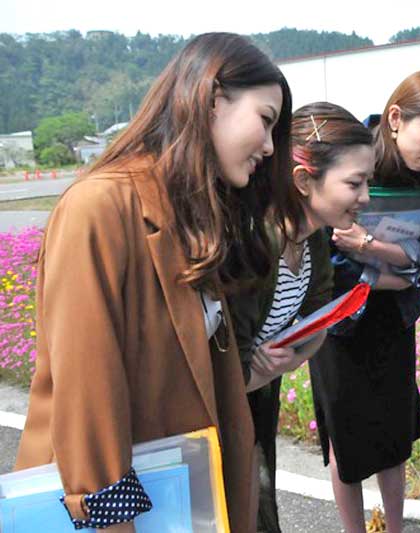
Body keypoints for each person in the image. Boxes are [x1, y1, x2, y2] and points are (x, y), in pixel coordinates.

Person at [14, 33, 293, 532]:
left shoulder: (193, 216)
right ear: (211, 99)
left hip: (181, 500)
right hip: (119, 514)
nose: (270, 148)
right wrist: (112, 519)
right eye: (265, 121)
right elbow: (86, 392)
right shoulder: (99, 207)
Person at [308, 69, 420, 533]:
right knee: (347, 439)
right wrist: (394, 272)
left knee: (393, 436)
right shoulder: (349, 158)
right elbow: (325, 252)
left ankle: (394, 528)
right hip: (339, 325)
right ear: (396, 118)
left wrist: (371, 248)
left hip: (392, 324)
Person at [228, 101, 373, 533]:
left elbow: (319, 319)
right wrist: (261, 370)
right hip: (221, 411)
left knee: (260, 506)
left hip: (256, 400)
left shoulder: (313, 240)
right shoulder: (252, 246)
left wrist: (285, 361)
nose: (365, 198)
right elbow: (220, 374)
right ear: (304, 180)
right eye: (355, 183)